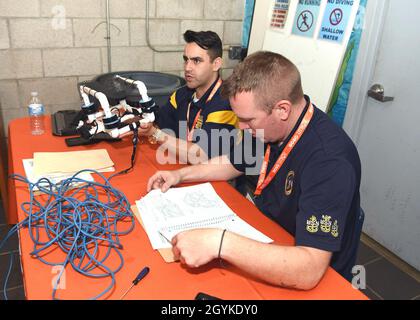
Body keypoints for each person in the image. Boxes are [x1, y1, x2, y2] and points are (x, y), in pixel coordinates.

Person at [146, 51, 362, 290]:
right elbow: (231, 163)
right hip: (267, 235)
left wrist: (220, 242)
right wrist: (180, 175)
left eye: (248, 120)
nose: (241, 126)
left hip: (306, 270)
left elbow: (309, 269)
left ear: (282, 109)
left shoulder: (329, 161)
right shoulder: (266, 126)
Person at [139, 30, 239, 164]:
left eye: (196, 61)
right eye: (186, 60)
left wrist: (155, 133)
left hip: (216, 179)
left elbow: (201, 156)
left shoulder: (226, 102)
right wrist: (128, 116)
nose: (187, 68)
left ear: (216, 64)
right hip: (181, 165)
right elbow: (157, 121)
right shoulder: (181, 94)